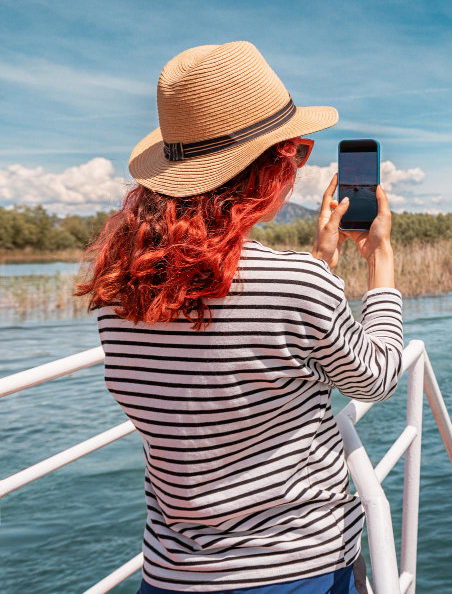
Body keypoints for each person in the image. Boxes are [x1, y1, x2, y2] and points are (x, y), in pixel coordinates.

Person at [75, 42, 400, 594]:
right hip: (300, 571)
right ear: (268, 171)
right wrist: (382, 263)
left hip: (172, 575)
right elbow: (378, 375)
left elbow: (221, 358)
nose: (297, 168)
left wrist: (319, 262)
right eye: (295, 153)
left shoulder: (119, 293)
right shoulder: (295, 284)